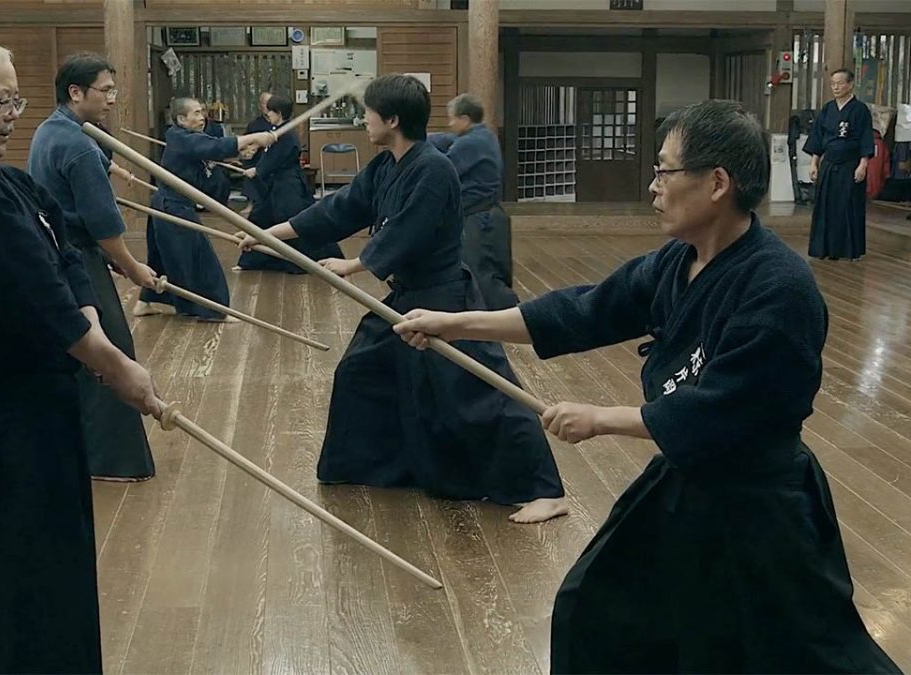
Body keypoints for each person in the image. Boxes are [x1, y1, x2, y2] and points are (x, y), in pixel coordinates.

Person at [393, 100, 900, 672]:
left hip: (761, 505)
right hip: (687, 482)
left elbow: (720, 409)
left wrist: (601, 418)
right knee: (592, 608)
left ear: (716, 183)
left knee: (802, 655)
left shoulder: (779, 288)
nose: (654, 185)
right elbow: (583, 310)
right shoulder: (676, 263)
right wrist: (452, 322)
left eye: (664, 170)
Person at [0, 37, 163, 674]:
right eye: (2, 100)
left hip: (27, 404)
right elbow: (40, 302)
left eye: (18, 98)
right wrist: (117, 368)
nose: (13, 113)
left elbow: (61, 247)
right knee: (1, 560)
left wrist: (90, 322)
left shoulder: (0, 177)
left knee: (43, 556)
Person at [238, 74, 567, 524]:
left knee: (478, 393)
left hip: (445, 298)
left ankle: (545, 489)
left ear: (390, 119)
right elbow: (340, 208)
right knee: (360, 371)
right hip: (406, 296)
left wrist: (355, 265)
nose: (363, 120)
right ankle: (377, 468)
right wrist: (269, 235)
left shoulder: (433, 169)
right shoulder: (386, 165)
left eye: (369, 113)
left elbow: (409, 231)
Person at [27, 52, 157, 482]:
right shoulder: (78, 144)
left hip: (54, 255)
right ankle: (111, 462)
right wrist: (135, 268)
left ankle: (73, 452)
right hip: (76, 259)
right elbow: (104, 228)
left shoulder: (51, 131)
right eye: (107, 90)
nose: (113, 99)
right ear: (76, 92)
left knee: (77, 354)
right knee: (109, 355)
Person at [135, 96, 274, 318]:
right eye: (197, 113)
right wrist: (255, 136)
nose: (202, 117)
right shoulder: (179, 137)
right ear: (181, 118)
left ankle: (145, 302)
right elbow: (212, 147)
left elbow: (209, 152)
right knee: (198, 257)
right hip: (172, 205)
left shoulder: (190, 138)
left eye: (202, 112)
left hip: (171, 204)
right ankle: (214, 310)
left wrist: (239, 152)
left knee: (164, 256)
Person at [428, 93, 518, 309]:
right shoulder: (484, 136)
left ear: (465, 119)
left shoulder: (469, 144)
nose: (450, 124)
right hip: (489, 216)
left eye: (452, 119)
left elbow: (443, 171)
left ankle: (508, 319)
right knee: (488, 269)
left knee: (479, 274)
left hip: (478, 218)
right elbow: (445, 139)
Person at [234, 94, 342, 273]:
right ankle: (250, 262)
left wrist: (257, 170)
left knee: (296, 222)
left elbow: (276, 159)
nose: (267, 114)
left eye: (269, 111)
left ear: (278, 112)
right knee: (261, 220)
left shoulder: (286, 134)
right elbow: (269, 157)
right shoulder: (279, 131)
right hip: (275, 186)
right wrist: (257, 167)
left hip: (288, 187)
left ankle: (308, 261)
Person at [804, 68, 874, 261]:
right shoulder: (827, 109)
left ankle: (850, 250)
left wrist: (863, 164)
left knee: (849, 206)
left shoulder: (860, 110)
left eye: (840, 83)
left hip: (850, 165)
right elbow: (817, 138)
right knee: (824, 206)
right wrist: (813, 164)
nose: (835, 87)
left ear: (850, 84)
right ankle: (824, 249)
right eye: (833, 83)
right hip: (829, 163)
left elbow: (866, 138)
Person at [241, 91, 274, 214]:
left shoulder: (280, 122)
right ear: (260, 106)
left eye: (269, 103)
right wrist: (248, 151)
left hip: (274, 158)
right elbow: (246, 143)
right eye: (264, 103)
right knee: (250, 167)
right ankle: (251, 203)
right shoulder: (255, 124)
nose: (267, 106)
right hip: (258, 158)